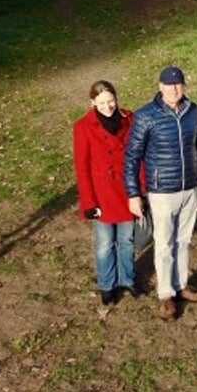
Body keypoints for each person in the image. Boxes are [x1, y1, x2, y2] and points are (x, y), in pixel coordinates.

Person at [124, 66, 197, 321]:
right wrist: (133, 193)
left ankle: (181, 284)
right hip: (161, 190)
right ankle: (165, 294)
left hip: (189, 187)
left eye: (178, 84)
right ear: (160, 86)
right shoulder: (146, 115)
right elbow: (131, 157)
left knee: (183, 240)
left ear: (184, 86)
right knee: (164, 243)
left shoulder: (193, 112)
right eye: (169, 85)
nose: (174, 89)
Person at [73, 80, 141, 306]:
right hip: (101, 193)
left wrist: (140, 190)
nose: (108, 106)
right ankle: (107, 284)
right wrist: (88, 202)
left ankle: (127, 279)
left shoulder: (129, 119)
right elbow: (82, 168)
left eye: (111, 101)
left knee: (127, 240)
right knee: (104, 243)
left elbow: (138, 157)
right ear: (92, 102)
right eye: (101, 102)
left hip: (126, 190)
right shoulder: (83, 127)